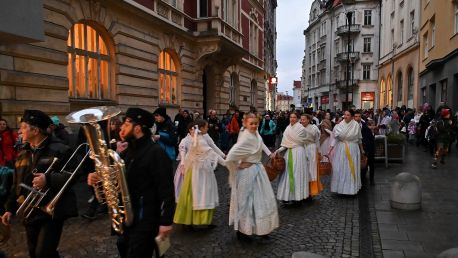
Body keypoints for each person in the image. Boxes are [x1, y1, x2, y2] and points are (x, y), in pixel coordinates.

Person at [88, 107, 175, 258]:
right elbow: (118, 182)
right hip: (127, 218)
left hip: (145, 220)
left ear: (138, 128)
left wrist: (166, 222)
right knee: (123, 248)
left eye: (126, 123)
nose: (121, 127)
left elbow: (167, 191)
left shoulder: (156, 153)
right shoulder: (127, 152)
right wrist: (99, 180)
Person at [2, 110, 77, 258]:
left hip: (52, 211)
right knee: (34, 252)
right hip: (30, 211)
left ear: (35, 130)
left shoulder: (61, 149)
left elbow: (74, 175)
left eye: (23, 127)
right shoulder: (23, 153)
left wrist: (48, 179)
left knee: (43, 253)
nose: (19, 131)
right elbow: (17, 184)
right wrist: (10, 208)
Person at [225, 113, 279, 241]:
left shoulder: (255, 134)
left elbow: (260, 143)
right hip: (246, 173)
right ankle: (243, 230)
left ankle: (262, 228)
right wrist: (240, 163)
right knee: (245, 201)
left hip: (258, 170)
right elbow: (231, 156)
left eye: (256, 123)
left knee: (262, 200)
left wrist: (269, 153)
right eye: (251, 123)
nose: (254, 125)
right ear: (245, 124)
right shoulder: (245, 137)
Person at [173, 119, 225, 228]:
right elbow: (209, 152)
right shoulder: (191, 140)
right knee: (196, 194)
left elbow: (213, 146)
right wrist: (226, 163)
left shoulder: (204, 137)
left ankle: (203, 220)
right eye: (206, 127)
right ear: (199, 129)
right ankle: (191, 221)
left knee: (202, 193)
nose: (208, 128)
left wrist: (224, 155)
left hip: (202, 168)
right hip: (195, 169)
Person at [274, 112, 309, 204]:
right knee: (287, 174)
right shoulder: (287, 129)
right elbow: (285, 144)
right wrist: (278, 151)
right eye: (290, 117)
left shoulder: (301, 129)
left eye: (294, 117)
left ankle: (298, 197)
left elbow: (301, 142)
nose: (292, 119)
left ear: (297, 119)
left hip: (299, 153)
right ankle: (287, 196)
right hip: (289, 153)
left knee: (297, 174)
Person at [329, 110, 363, 195]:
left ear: (352, 116)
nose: (346, 116)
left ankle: (351, 190)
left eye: (348, 115)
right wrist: (330, 149)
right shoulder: (339, 125)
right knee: (340, 168)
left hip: (352, 149)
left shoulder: (356, 125)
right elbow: (335, 138)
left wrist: (362, 150)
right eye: (345, 115)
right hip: (341, 148)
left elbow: (359, 139)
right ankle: (341, 189)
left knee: (350, 169)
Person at [300, 114, 323, 197]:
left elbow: (317, 141)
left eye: (304, 119)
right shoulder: (299, 128)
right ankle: (303, 190)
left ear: (308, 120)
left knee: (311, 169)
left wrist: (319, 152)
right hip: (302, 148)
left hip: (311, 149)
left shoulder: (314, 128)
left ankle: (311, 191)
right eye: (301, 119)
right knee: (303, 168)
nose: (302, 121)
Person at [174, 122, 195, 201]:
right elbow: (182, 152)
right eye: (194, 129)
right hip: (187, 165)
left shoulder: (198, 139)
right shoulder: (185, 140)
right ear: (190, 130)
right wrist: (183, 165)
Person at [355, 111, 375, 186]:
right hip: (357, 148)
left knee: (370, 164)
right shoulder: (352, 126)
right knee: (362, 166)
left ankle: (371, 180)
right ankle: (361, 181)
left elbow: (370, 138)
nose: (357, 118)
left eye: (359, 116)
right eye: (356, 116)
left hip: (368, 148)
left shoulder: (365, 126)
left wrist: (371, 149)